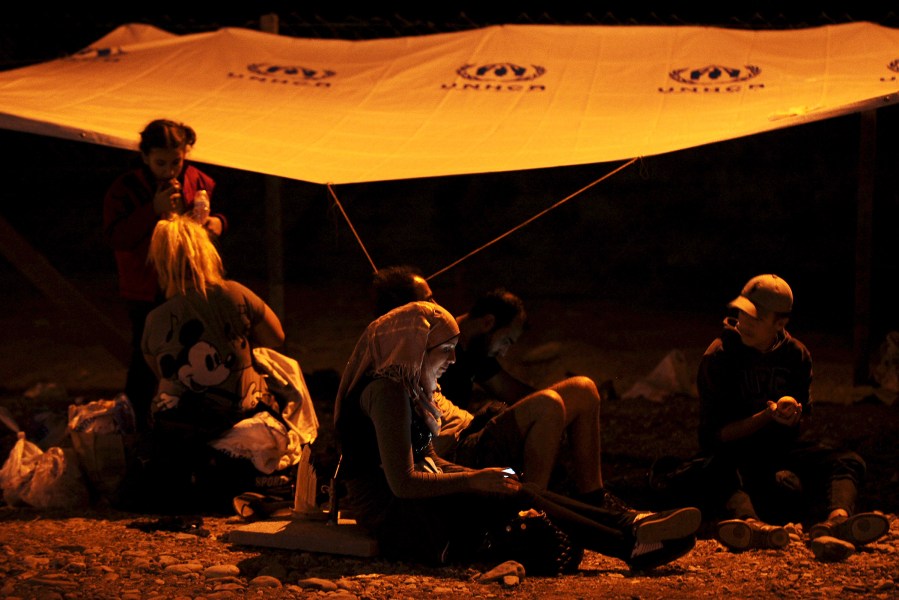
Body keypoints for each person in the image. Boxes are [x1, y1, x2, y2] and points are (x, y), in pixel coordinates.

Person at [334, 301, 701, 573]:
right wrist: (474, 479)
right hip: (397, 514)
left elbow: (429, 458)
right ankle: (630, 541)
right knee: (514, 493)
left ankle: (632, 528)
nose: (453, 360)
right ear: (416, 348)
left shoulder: (407, 389)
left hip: (418, 497)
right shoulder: (386, 392)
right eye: (445, 350)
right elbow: (402, 483)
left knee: (512, 483)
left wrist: (481, 476)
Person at [369, 267, 623, 510]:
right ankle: (531, 512)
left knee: (583, 389)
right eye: (428, 299)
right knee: (548, 405)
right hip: (464, 446)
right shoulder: (404, 359)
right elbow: (412, 457)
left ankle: (593, 497)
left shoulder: (460, 346)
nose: (437, 305)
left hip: (474, 428)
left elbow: (515, 393)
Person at [692, 274, 888, 552]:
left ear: (780, 323)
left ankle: (838, 521)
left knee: (847, 460)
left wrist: (791, 413)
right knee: (712, 468)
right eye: (741, 312)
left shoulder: (796, 355)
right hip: (735, 455)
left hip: (779, 451)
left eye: (756, 317)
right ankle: (751, 525)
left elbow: (801, 419)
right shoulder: (719, 356)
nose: (744, 321)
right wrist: (765, 416)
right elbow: (715, 436)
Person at [135, 214, 313, 514]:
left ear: (161, 264)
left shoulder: (156, 319)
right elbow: (276, 337)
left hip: (182, 424)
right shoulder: (234, 293)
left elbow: (160, 372)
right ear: (207, 254)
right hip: (240, 411)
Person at [103, 118, 227, 433]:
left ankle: (189, 422)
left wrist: (218, 224)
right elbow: (118, 237)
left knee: (194, 352)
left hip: (189, 283)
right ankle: (137, 427)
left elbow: (221, 213)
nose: (169, 170)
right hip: (144, 289)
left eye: (177, 161)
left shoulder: (200, 182)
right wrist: (153, 209)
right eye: (160, 163)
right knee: (146, 359)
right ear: (145, 157)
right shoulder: (126, 188)